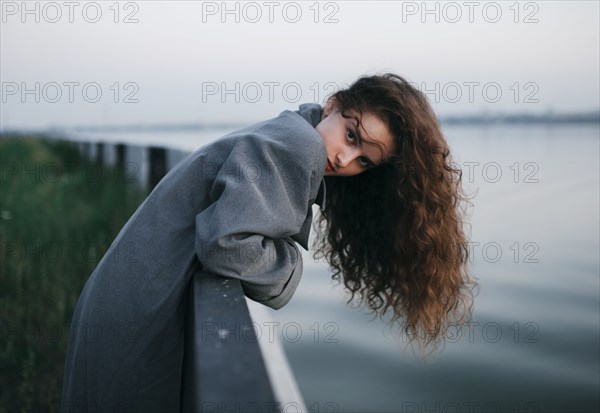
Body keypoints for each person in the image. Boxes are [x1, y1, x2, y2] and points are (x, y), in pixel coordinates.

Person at [61, 73, 476, 411]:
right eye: (351, 136)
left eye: (365, 160)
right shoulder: (298, 145)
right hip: (136, 311)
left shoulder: (287, 133)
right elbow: (227, 244)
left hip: (122, 300)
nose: (346, 160)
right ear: (332, 105)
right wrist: (290, 269)